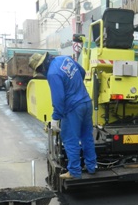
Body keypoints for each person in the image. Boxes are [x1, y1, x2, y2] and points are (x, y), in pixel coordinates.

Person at [29, 52, 97, 180]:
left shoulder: (52, 74)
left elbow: (58, 98)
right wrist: (75, 87)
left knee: (70, 139)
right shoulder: (64, 59)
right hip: (86, 102)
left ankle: (74, 171)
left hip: (73, 108)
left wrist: (55, 118)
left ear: (41, 66)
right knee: (87, 136)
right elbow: (81, 71)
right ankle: (91, 166)